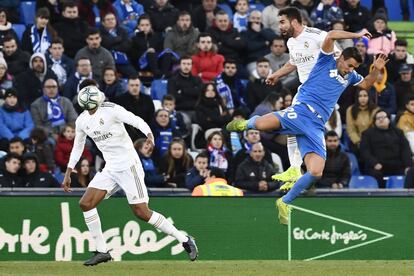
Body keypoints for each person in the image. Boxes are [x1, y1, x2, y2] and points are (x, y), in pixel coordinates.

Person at [226, 28, 388, 224]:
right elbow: (330, 36)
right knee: (260, 125)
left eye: (354, 68)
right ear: (341, 58)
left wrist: (376, 68)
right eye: (349, 65)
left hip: (316, 126)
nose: (350, 70)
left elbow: (366, 85)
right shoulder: (326, 60)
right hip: (302, 111)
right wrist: (356, 36)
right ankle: (244, 124)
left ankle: (285, 202)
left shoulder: (350, 77)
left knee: (316, 172)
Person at [62, 81, 198, 266]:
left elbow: (134, 119)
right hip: (110, 168)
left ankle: (184, 239)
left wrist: (148, 133)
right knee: (85, 203)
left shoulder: (111, 109)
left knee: (141, 212)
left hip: (129, 166)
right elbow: (78, 146)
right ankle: (102, 251)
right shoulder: (82, 121)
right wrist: (69, 170)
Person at [264, 7, 340, 188]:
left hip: (319, 93)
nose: (279, 26)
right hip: (305, 91)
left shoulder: (317, 35)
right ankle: (295, 170)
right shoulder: (291, 42)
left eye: (282, 22)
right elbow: (293, 63)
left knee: (302, 129)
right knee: (292, 128)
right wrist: (276, 74)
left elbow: (338, 56)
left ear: (294, 21)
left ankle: (305, 171)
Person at [360, 109, 413, 188]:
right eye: (378, 118)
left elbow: (405, 149)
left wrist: (408, 165)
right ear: (375, 121)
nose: (381, 119)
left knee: (411, 172)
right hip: (378, 166)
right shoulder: (367, 134)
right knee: (375, 174)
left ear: (388, 119)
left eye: (383, 117)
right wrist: (374, 163)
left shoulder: (398, 132)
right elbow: (365, 151)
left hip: (397, 165)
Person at [113, 76, 155, 141]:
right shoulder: (119, 100)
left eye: (137, 85)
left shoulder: (148, 99)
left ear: (140, 86)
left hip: (144, 135)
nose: (134, 88)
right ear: (128, 86)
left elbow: (151, 119)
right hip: (126, 136)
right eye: (132, 85)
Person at [241, 10, 277, 74]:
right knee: (260, 74)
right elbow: (248, 47)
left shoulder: (267, 31)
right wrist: (264, 43)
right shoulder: (244, 33)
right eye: (253, 18)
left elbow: (276, 40)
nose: (255, 20)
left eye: (258, 18)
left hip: (269, 61)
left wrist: (260, 31)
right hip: (253, 61)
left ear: (261, 20)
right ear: (249, 19)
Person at [346, 89, 379, 157]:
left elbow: (376, 129)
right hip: (357, 141)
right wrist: (359, 142)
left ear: (369, 97)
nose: (362, 98)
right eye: (360, 96)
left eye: (365, 96)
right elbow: (351, 130)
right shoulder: (350, 110)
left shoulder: (375, 110)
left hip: (373, 141)